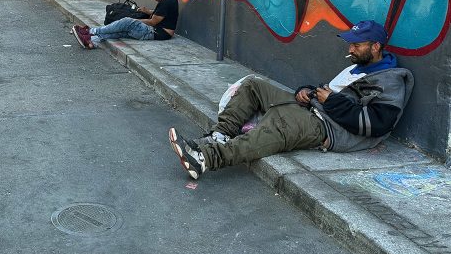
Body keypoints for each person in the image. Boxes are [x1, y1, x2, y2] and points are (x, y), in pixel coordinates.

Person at [168, 20, 414, 180]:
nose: (350, 50)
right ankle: (219, 135)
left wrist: (330, 102)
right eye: (350, 44)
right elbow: (329, 90)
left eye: (357, 45)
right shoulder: (358, 67)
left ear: (376, 47)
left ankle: (205, 159)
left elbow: (376, 125)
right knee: (253, 85)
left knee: (279, 124)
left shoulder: (391, 81)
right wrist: (306, 91)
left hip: (328, 127)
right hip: (315, 109)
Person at [72, 0, 178, 49]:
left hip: (157, 32)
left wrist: (133, 21)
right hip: (160, 32)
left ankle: (91, 31)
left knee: (126, 22)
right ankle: (90, 41)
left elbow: (153, 21)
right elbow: (163, 15)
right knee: (121, 32)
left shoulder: (165, 3)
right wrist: (148, 11)